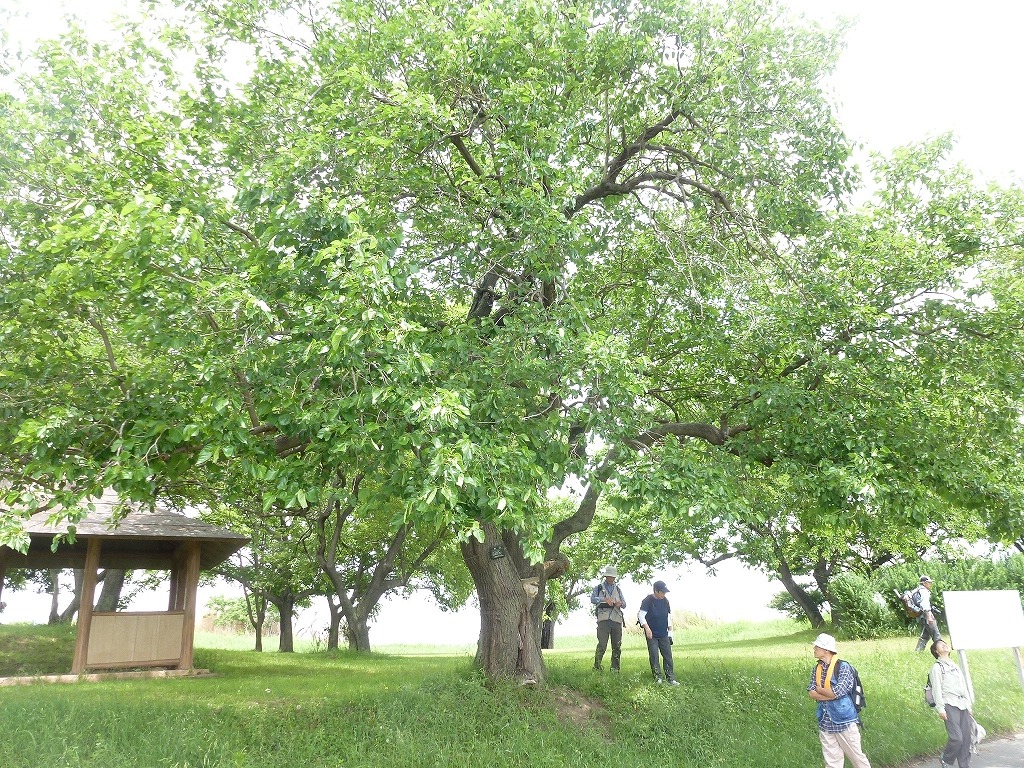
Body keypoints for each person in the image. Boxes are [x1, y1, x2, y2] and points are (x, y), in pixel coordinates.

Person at [807, 633, 871, 768]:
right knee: (831, 762)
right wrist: (827, 693)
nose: (814, 649)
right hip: (825, 721)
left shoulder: (843, 667)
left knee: (857, 758)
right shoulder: (817, 668)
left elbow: (837, 692)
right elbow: (811, 693)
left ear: (825, 649)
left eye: (816, 647)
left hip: (844, 721)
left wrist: (820, 690)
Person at [929, 639, 975, 768]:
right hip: (949, 704)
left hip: (963, 704)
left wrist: (969, 705)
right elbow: (936, 689)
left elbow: (963, 686)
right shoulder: (937, 668)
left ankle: (964, 765)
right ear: (936, 651)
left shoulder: (954, 665)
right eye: (941, 645)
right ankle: (946, 759)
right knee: (957, 738)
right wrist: (940, 709)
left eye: (945, 643)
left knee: (966, 739)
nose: (945, 645)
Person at [637, 580, 678, 685]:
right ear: (656, 591)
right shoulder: (648, 601)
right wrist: (647, 629)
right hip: (652, 634)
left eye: (665, 592)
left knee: (668, 656)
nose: (664, 594)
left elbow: (668, 616)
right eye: (662, 592)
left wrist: (670, 630)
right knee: (654, 655)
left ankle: (671, 678)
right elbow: (641, 615)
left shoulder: (665, 601)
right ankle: (658, 677)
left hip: (663, 633)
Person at [590, 565, 626, 671]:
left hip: (617, 619)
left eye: (613, 577)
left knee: (617, 646)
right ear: (606, 576)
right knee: (602, 644)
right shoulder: (599, 588)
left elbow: (624, 603)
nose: (612, 579)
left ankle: (615, 668)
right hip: (603, 620)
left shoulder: (618, 589)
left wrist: (620, 603)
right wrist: (604, 599)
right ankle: (597, 666)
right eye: (610, 577)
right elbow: (593, 599)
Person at [913, 575, 942, 652]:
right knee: (936, 635)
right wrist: (929, 617)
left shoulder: (917, 590)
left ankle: (918, 652)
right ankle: (941, 652)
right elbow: (924, 604)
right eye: (929, 582)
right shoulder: (924, 591)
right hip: (926, 615)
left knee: (925, 636)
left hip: (921, 616)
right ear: (924, 583)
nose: (930, 584)